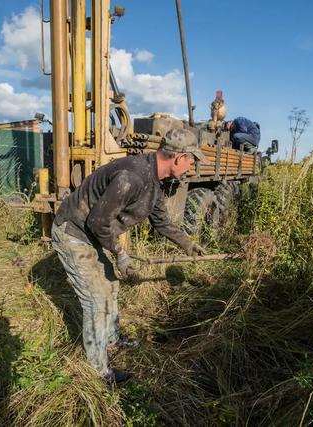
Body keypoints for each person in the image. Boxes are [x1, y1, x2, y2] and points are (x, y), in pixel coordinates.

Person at [51, 128, 206, 383]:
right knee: (96, 300)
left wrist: (187, 244)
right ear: (178, 157)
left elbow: (162, 222)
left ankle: (112, 340)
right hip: (73, 232)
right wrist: (121, 253)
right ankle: (98, 372)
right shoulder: (132, 177)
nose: (191, 167)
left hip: (91, 233)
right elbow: (99, 221)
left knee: (111, 284)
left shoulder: (154, 181)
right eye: (191, 160)